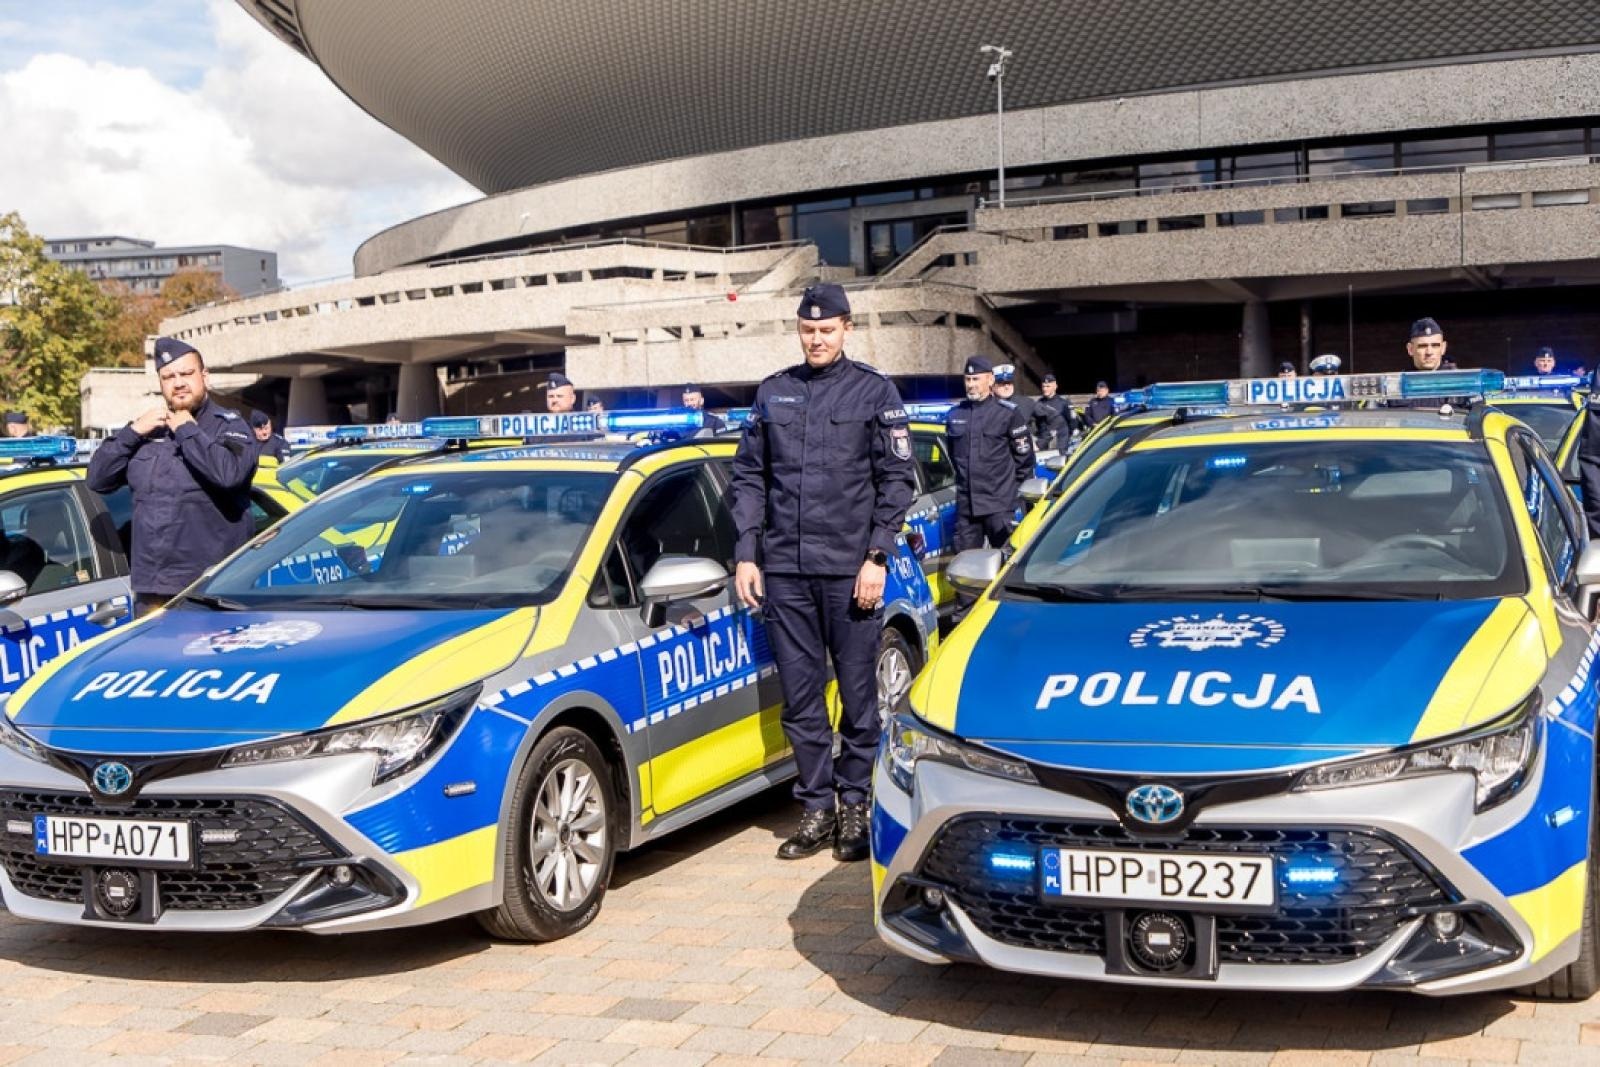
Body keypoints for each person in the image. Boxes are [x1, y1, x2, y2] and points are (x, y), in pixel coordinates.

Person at [729, 283, 915, 863]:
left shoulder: (874, 392)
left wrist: (876, 556)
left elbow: (897, 481)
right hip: (785, 571)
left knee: (858, 697)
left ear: (846, 329)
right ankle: (816, 807)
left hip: (850, 573)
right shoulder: (774, 393)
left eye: (826, 330)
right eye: (808, 330)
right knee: (802, 698)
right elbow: (749, 478)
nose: (816, 339)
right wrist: (746, 552)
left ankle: (855, 804)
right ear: (799, 331)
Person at [86, 337, 259, 617]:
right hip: (153, 589)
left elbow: (229, 475)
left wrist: (187, 432)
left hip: (213, 588)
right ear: (160, 383)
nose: (178, 383)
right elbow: (97, 479)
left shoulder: (228, 426)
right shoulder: (147, 432)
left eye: (186, 374)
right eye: (168, 376)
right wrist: (132, 432)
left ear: (204, 377)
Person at [948, 356, 1033, 623]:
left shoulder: (1007, 413)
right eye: (968, 379)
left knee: (1009, 567)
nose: (971, 384)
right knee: (966, 574)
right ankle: (966, 626)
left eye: (976, 379)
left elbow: (1024, 459)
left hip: (1000, 503)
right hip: (967, 507)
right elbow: (953, 458)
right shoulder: (955, 415)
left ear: (990, 380)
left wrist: (1014, 497)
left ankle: (1013, 620)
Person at [992, 364, 1036, 443]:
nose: (1007, 387)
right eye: (1002, 384)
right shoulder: (987, 406)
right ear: (993, 386)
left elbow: (1054, 419)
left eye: (1009, 383)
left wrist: (1040, 443)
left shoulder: (1026, 402)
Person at [1031, 374, 1072, 450]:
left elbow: (1070, 422)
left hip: (1059, 442)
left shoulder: (1063, 403)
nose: (1045, 389)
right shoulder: (1039, 403)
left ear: (1055, 387)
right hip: (1043, 442)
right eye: (1043, 386)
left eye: (1048, 386)